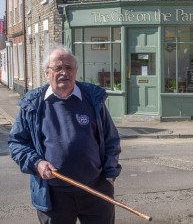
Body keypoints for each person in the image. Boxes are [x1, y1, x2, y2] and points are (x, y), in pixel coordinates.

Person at [8, 44, 122, 224]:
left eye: (69, 67)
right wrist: (37, 163)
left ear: (76, 71)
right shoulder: (33, 104)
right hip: (53, 195)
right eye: (58, 68)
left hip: (95, 190)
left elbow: (111, 140)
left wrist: (110, 175)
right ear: (47, 73)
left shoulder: (92, 99)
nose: (64, 72)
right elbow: (17, 143)